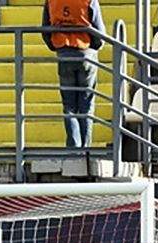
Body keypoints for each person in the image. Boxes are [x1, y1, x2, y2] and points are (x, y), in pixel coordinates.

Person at [42, 0, 108, 148]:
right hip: (86, 53)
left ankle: (73, 147)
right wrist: (93, 47)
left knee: (69, 106)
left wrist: (57, 46)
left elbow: (45, 29)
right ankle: (85, 148)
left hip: (64, 53)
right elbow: (100, 34)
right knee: (86, 104)